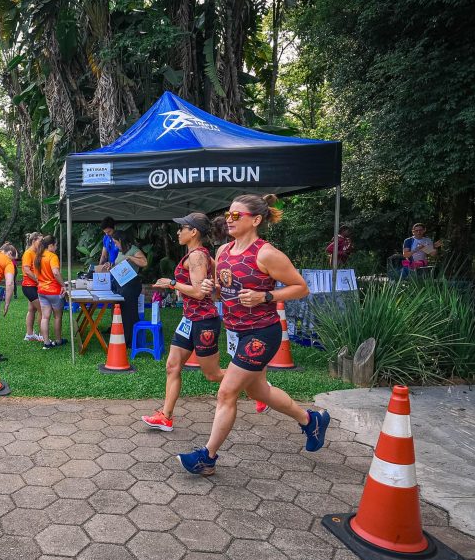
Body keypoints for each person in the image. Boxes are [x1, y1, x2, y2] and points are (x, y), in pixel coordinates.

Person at [176, 194, 331, 476]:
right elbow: (225, 290)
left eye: (237, 216)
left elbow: (301, 287)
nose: (229, 220)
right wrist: (213, 289)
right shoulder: (222, 252)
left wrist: (266, 295)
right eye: (228, 215)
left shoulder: (266, 253)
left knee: (227, 392)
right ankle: (311, 421)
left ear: (256, 220)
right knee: (260, 390)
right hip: (236, 330)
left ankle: (206, 459)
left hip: (263, 332)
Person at [142, 213, 224, 431]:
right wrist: (214, 287)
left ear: (194, 232)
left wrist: (171, 283)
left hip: (204, 321)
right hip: (189, 320)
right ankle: (165, 417)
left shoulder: (197, 256)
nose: (178, 232)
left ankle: (256, 384)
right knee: (172, 366)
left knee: (212, 374)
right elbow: (215, 283)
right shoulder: (199, 255)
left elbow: (198, 293)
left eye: (182, 228)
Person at [110, 229, 147, 352]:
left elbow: (144, 262)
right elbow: (120, 265)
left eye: (116, 242)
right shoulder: (121, 252)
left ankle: (130, 341)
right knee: (121, 312)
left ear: (121, 240)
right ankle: (122, 338)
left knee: (129, 314)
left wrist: (131, 258)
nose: (115, 245)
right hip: (121, 285)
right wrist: (111, 266)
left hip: (131, 285)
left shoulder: (133, 250)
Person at [35, 235, 66, 349]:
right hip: (54, 291)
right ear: (50, 245)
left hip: (41, 290)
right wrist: (64, 285)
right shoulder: (52, 256)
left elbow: (36, 275)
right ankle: (58, 340)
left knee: (45, 317)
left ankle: (46, 342)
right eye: (56, 245)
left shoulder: (37, 256)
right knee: (58, 317)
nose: (56, 247)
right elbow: (56, 273)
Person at [21, 232, 43, 341]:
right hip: (29, 286)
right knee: (42, 310)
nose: (42, 243)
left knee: (32, 309)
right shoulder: (28, 253)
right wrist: (38, 280)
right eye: (40, 241)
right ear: (34, 241)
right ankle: (42, 335)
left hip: (33, 286)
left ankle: (29, 334)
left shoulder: (36, 253)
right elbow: (26, 269)